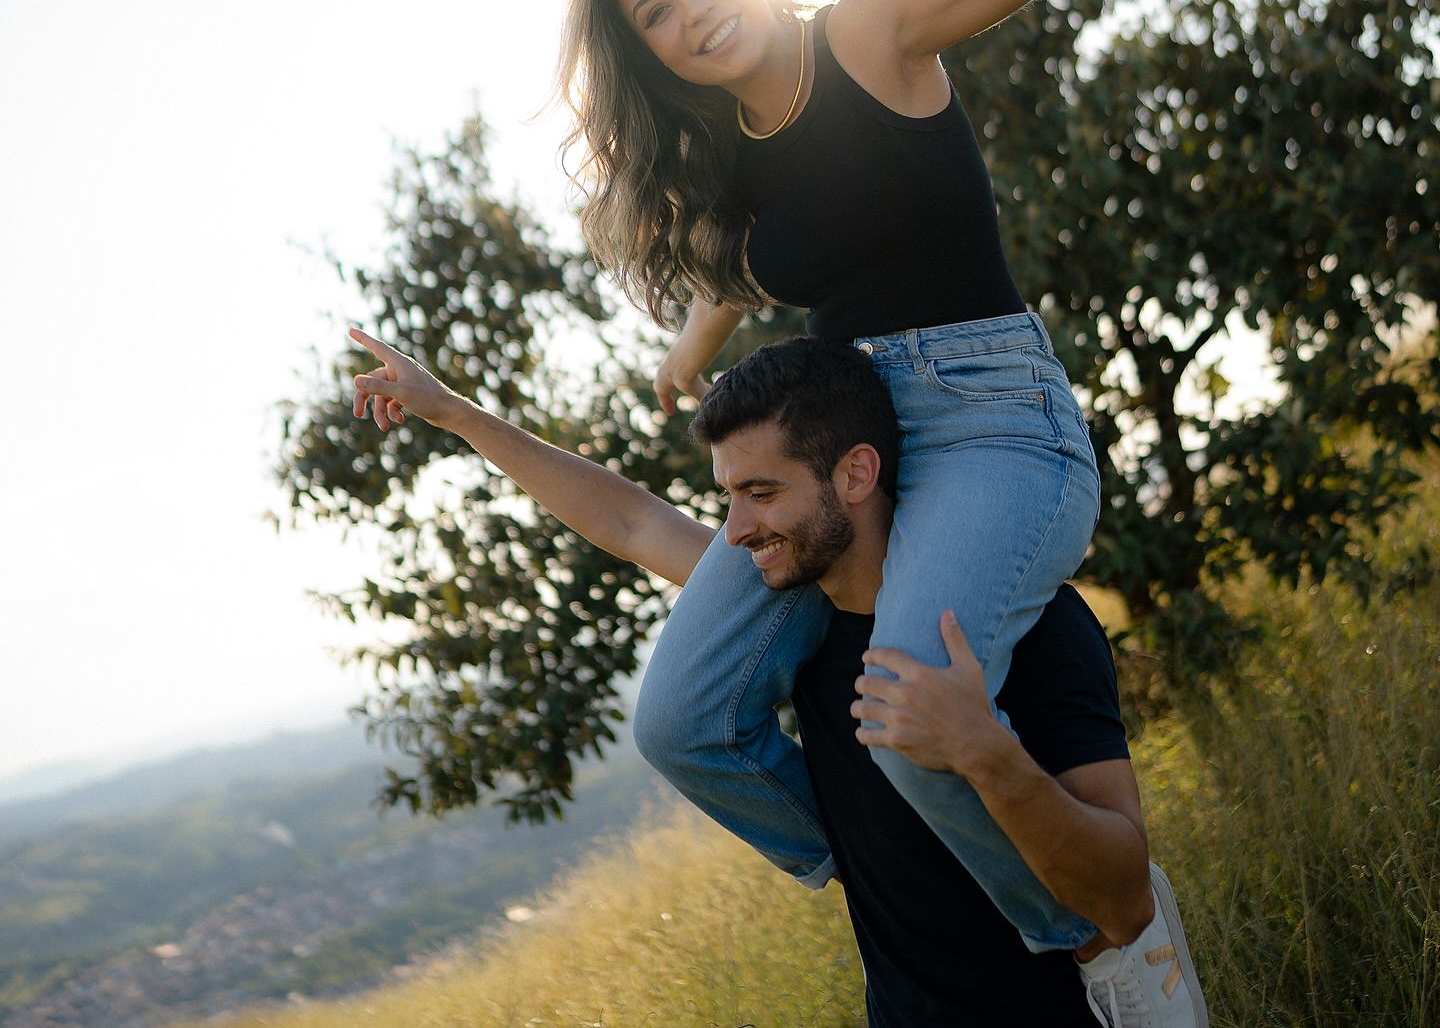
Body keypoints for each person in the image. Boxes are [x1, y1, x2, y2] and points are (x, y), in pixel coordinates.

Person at [550, 0, 1412, 969]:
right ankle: (882, 854)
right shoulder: (731, 150)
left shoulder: (872, 28)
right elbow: (762, 254)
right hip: (860, 443)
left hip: (996, 423)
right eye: (654, 17)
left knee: (907, 695)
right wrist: (690, 349)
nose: (687, 15)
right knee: (680, 721)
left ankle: (1091, 936)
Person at [350, 327, 1207, 1026]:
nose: (733, 532)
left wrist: (986, 754)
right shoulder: (794, 625)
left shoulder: (1036, 630)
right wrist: (455, 413)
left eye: (760, 493)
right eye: (728, 496)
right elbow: (629, 519)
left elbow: (1125, 897)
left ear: (856, 474)